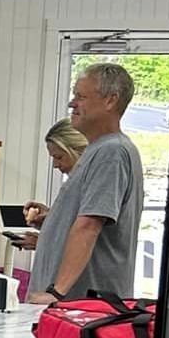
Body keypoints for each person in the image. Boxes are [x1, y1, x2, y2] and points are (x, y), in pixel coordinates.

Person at [24, 63, 143, 302]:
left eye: (81, 96)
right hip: (71, 305)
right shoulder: (97, 150)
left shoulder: (112, 152)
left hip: (82, 308)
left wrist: (56, 292)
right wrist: (53, 220)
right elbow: (89, 216)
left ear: (110, 100)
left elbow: (89, 226)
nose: (72, 103)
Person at [13, 120, 89, 251]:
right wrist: (50, 219)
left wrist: (44, 243)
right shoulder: (75, 184)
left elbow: (87, 237)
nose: (55, 165)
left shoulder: (92, 185)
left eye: (59, 157)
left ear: (79, 151)